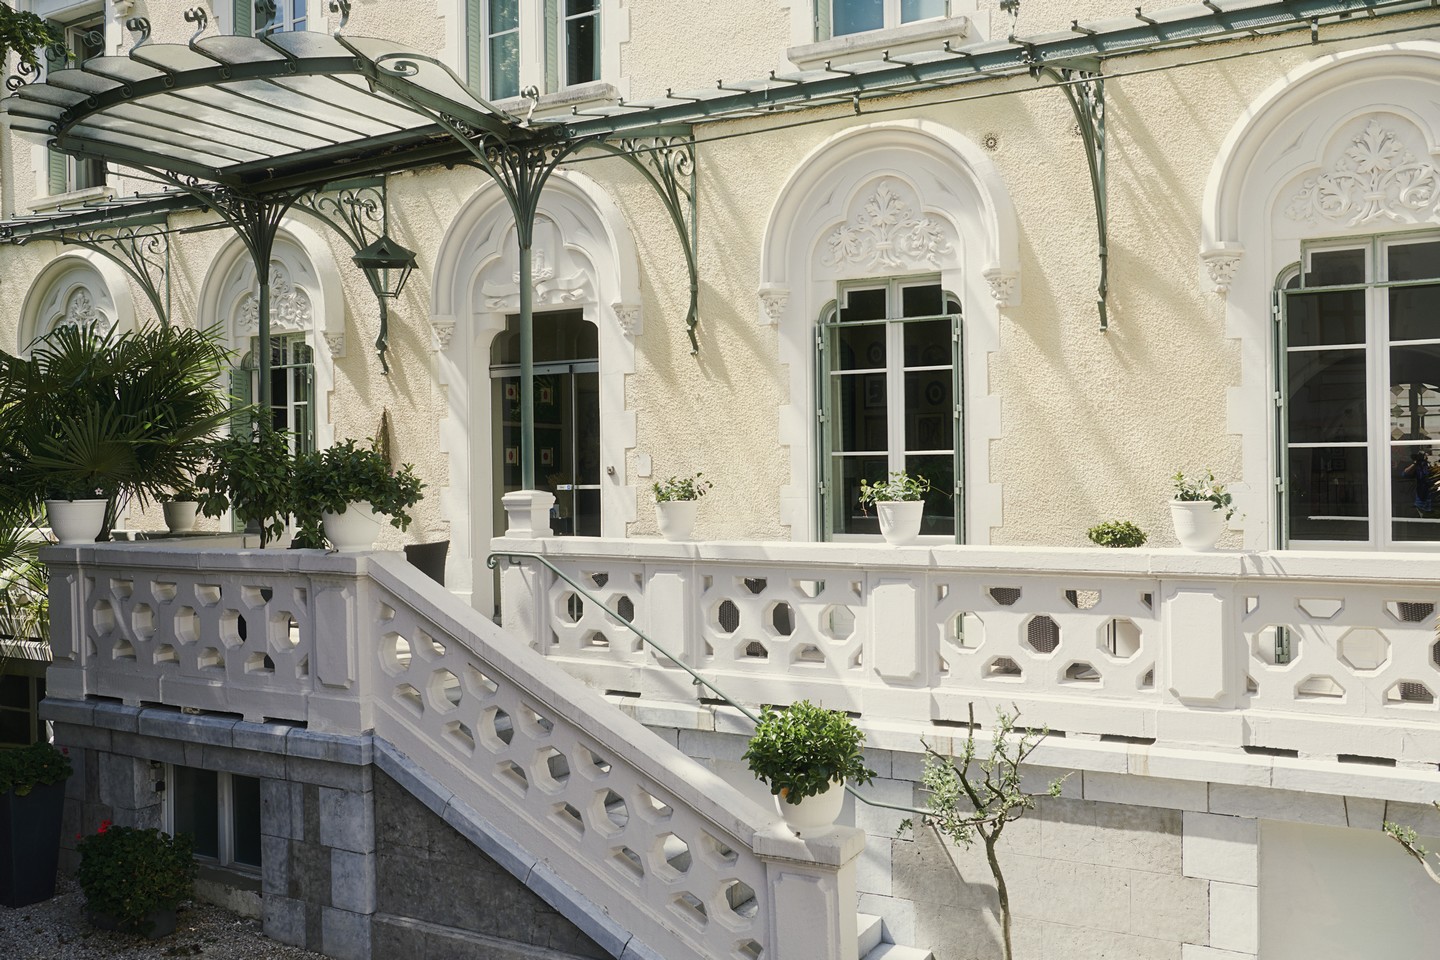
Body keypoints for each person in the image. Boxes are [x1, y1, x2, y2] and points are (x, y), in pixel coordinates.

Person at [1402, 449, 1435, 516]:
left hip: (1430, 495)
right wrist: (1415, 463)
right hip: (1419, 495)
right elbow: (1404, 474)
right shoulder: (1416, 466)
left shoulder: (1428, 466)